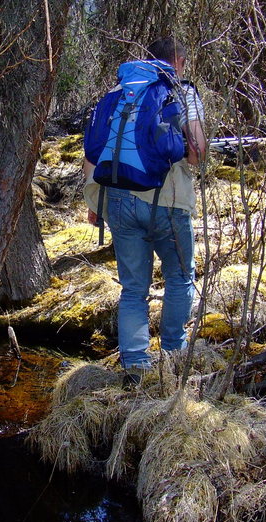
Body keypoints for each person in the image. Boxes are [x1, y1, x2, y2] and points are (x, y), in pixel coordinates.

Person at [83, 36, 206, 385]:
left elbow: (93, 153)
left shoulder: (117, 93)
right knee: (180, 277)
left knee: (133, 288)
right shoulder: (181, 92)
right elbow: (196, 152)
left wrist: (96, 204)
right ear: (178, 61)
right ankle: (173, 354)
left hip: (118, 199)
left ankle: (136, 366)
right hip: (167, 201)